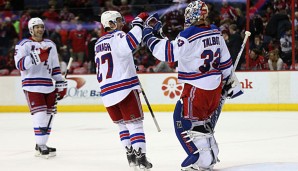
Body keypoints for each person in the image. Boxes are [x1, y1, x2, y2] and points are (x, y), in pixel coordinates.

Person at [142, 1, 243, 170]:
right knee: (202, 122)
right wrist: (228, 82)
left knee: (184, 121)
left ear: (192, 15)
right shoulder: (215, 31)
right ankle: (211, 155)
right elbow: (226, 62)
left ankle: (201, 160)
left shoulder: (188, 34)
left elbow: (167, 53)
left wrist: (148, 36)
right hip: (214, 88)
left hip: (196, 88)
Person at [94, 11, 152, 169]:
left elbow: (115, 57)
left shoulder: (98, 43)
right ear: (111, 24)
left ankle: (131, 158)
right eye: (119, 21)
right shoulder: (118, 36)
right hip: (124, 88)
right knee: (135, 125)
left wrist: (128, 64)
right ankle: (141, 160)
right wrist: (139, 22)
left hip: (107, 92)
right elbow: (131, 41)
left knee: (122, 126)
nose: (122, 24)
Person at [14, 17, 67, 158]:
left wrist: (60, 83)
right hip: (31, 84)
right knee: (40, 116)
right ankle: (40, 145)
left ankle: (41, 144)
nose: (40, 29)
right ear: (31, 29)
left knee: (49, 116)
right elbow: (19, 65)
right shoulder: (23, 44)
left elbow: (55, 67)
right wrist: (36, 56)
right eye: (37, 27)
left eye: (41, 26)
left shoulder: (51, 44)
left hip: (48, 85)